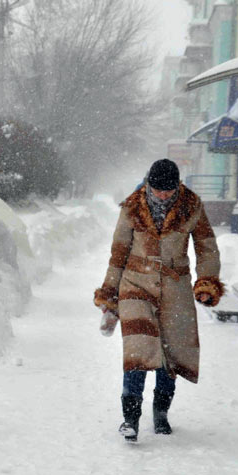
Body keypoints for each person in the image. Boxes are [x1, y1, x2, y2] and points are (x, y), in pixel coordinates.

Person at [94, 159, 224, 442]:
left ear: (177, 185)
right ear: (149, 184)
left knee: (170, 353)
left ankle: (161, 411)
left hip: (174, 287)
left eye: (168, 190)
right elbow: (118, 254)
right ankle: (130, 418)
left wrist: (207, 281)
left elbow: (206, 248)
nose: (163, 195)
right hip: (135, 284)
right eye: (157, 190)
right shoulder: (132, 208)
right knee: (138, 351)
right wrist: (109, 295)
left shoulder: (192, 206)